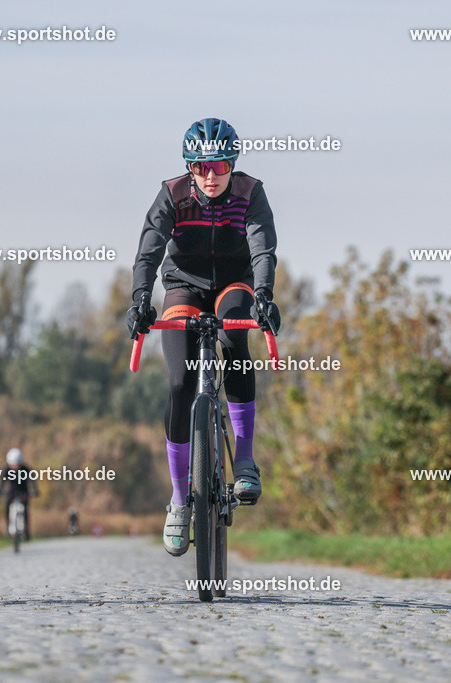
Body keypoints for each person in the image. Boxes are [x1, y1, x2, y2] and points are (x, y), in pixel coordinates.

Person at [128, 118, 281, 557]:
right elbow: (149, 247)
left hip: (235, 282)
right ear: (189, 168)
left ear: (232, 163)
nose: (210, 176)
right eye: (200, 167)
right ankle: (179, 501)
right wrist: (140, 298)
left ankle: (246, 459)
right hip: (184, 287)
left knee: (234, 335)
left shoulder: (251, 193)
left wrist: (265, 295)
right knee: (178, 382)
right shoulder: (172, 193)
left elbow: (262, 247)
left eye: (218, 166)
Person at [0, 448, 37, 541]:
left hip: (23, 492)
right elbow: (2, 482)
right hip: (11, 492)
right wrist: (0, 490)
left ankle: (27, 532)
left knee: (25, 511)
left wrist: (34, 490)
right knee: (7, 507)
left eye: (16, 464)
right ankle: (8, 528)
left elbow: (31, 480)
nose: (15, 466)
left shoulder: (25, 469)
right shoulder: (7, 470)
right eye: (12, 464)